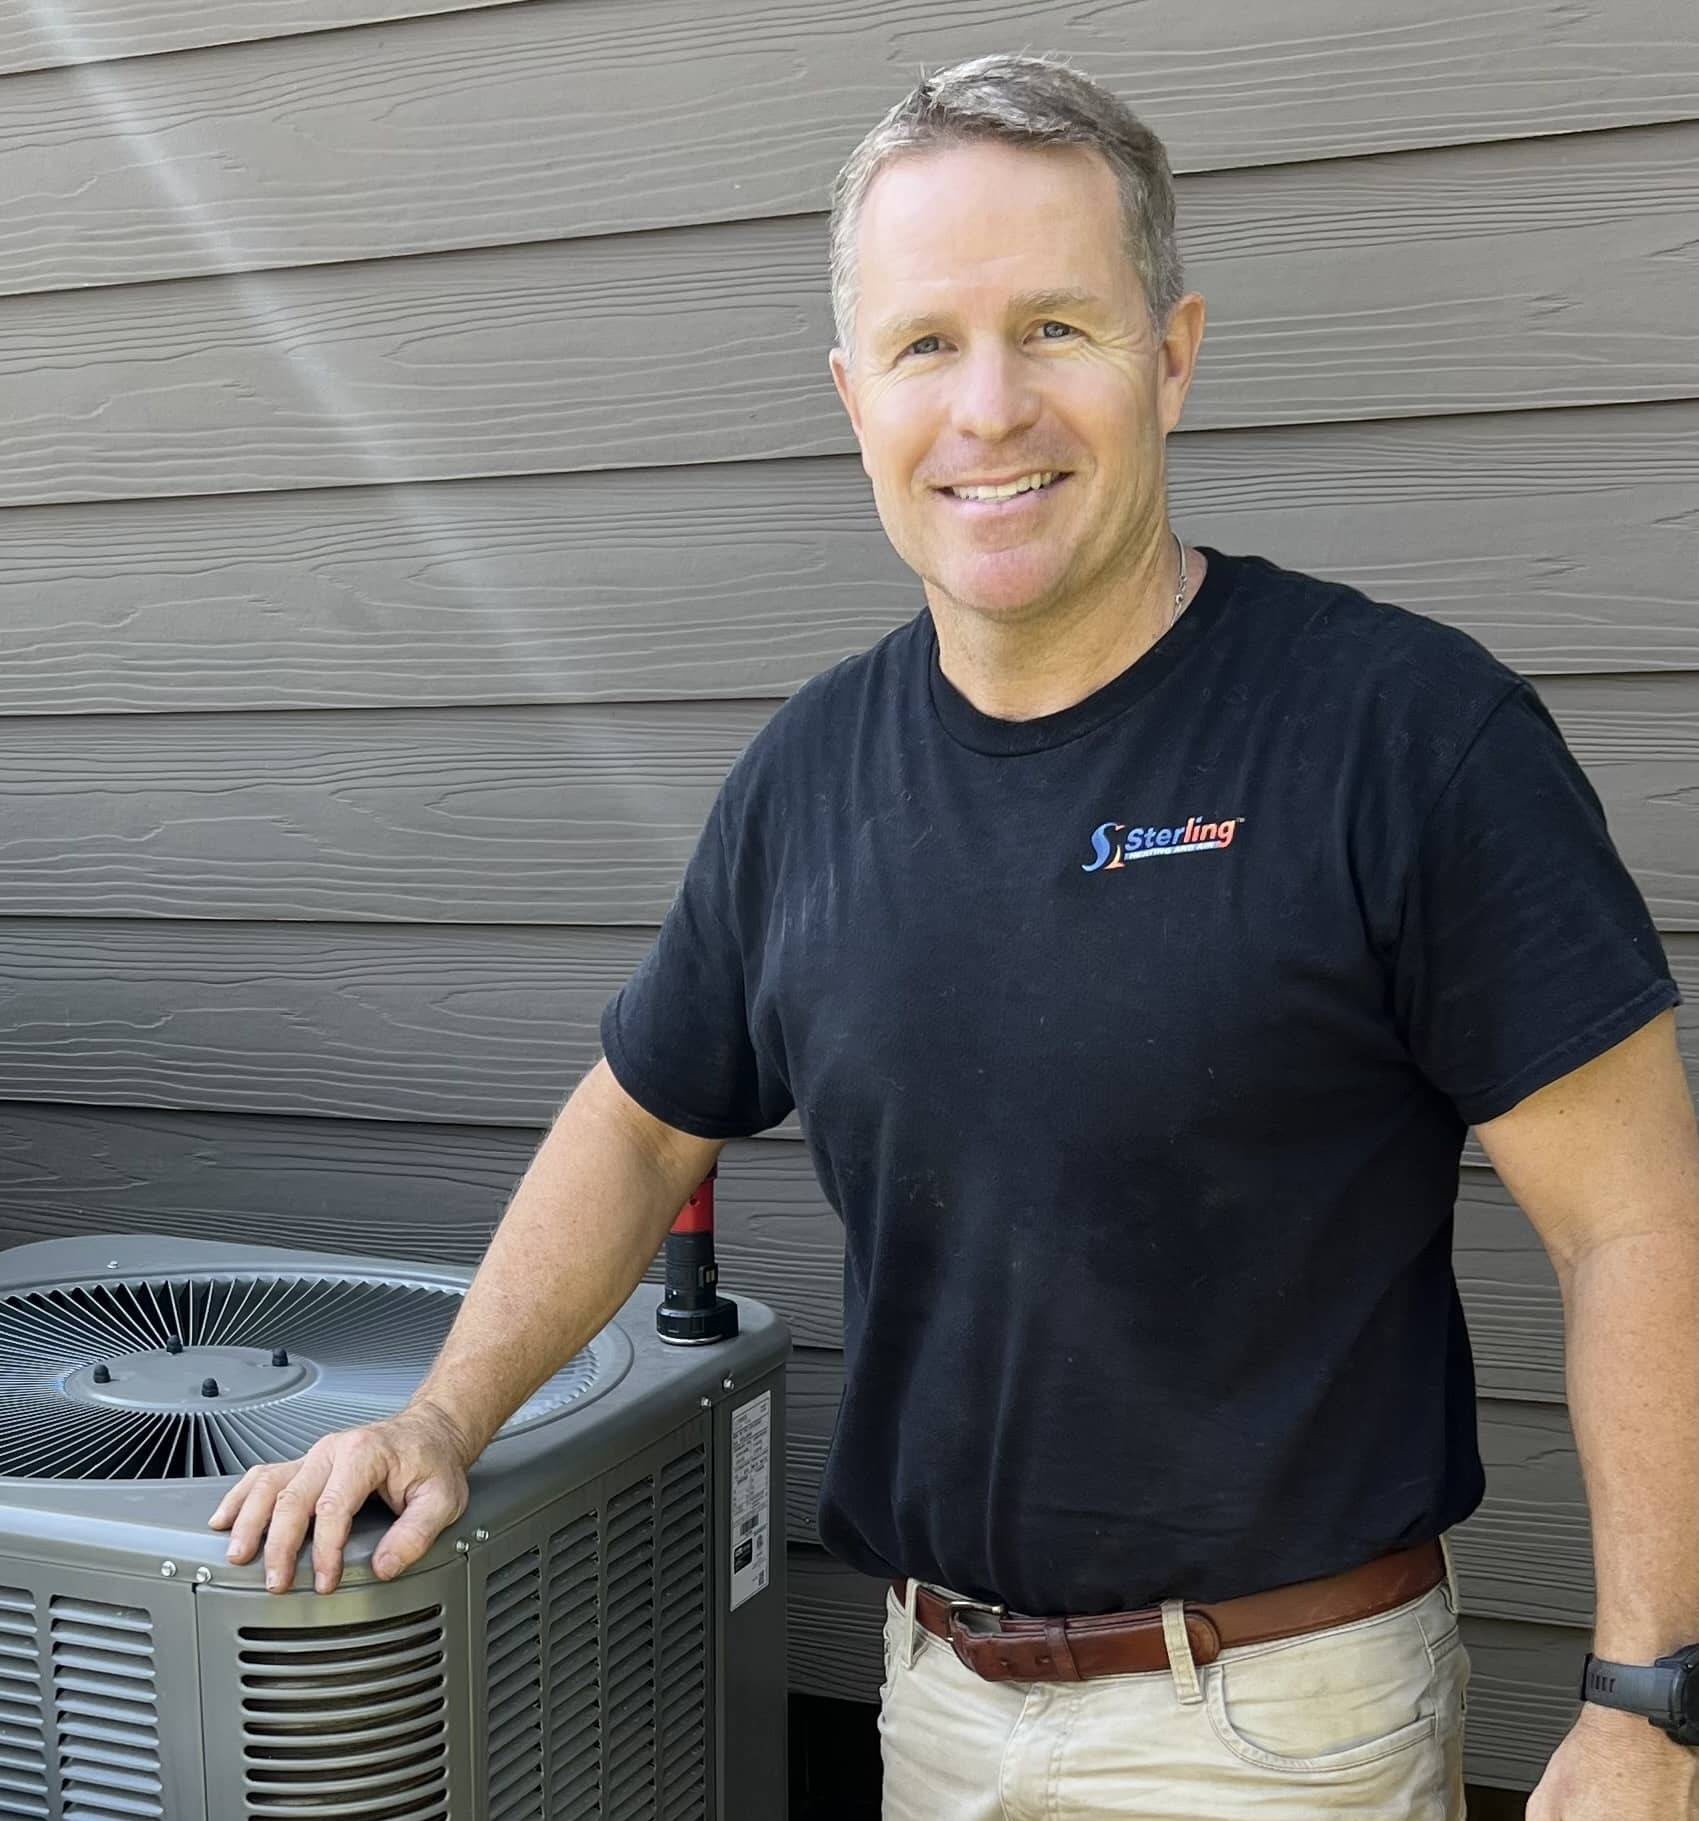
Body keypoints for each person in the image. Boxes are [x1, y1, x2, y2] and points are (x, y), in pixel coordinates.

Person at [208, 51, 1698, 1821]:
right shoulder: (810, 777)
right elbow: (637, 1114)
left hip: (1277, 1732)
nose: (989, 408)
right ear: (855, 395)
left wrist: (1648, 1699)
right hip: (935, 1711)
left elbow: (1639, 1220)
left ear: (1174, 352)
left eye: (1057, 326)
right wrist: (443, 1415)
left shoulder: (1401, 738)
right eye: (927, 344)